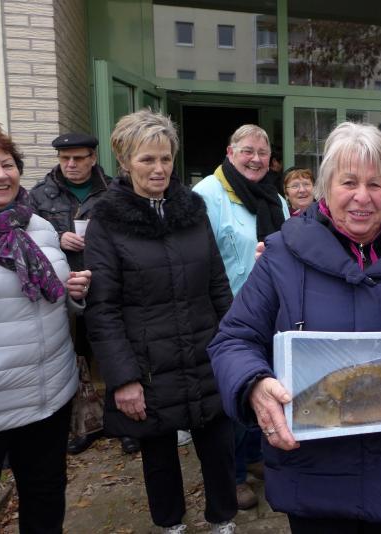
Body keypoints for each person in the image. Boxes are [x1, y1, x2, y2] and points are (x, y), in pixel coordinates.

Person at [208, 122, 381, 533]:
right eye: (348, 182)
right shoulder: (282, 256)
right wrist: (254, 384)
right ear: (325, 187)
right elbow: (233, 339)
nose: (362, 196)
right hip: (312, 472)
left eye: (375, 184)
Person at [83, 110, 237, 534]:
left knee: (219, 448)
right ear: (124, 161)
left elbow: (218, 285)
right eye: (147, 159)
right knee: (159, 457)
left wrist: (233, 350)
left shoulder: (193, 211)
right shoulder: (107, 222)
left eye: (166, 158)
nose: (159, 169)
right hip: (148, 365)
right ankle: (170, 525)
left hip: (205, 354)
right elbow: (103, 308)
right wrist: (123, 379)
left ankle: (223, 520)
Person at [0, 121, 91, 533]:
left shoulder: (39, 227)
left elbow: (51, 298)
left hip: (47, 397)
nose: (0, 175)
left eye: (7, 164)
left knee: (45, 503)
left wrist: (75, 293)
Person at [193, 124, 289, 510]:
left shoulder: (274, 197)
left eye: (262, 153)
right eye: (247, 151)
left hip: (269, 311)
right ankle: (231, 476)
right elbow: (198, 260)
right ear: (230, 153)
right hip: (226, 314)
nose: (255, 159)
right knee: (232, 392)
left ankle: (253, 456)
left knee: (262, 383)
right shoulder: (207, 195)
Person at [29, 132, 140, 456]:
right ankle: (86, 425)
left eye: (78, 158)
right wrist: (57, 236)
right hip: (64, 288)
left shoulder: (114, 190)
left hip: (108, 283)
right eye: (65, 159)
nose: (71, 164)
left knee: (113, 353)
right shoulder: (40, 194)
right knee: (75, 356)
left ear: (93, 158)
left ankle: (123, 425)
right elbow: (25, 239)